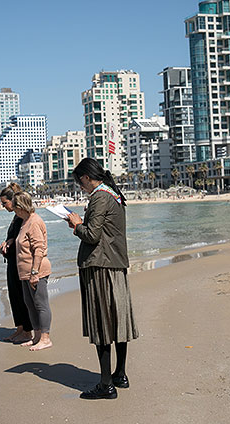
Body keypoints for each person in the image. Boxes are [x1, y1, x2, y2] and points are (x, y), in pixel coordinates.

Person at [67, 158, 138, 400]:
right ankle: (120, 374)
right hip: (115, 264)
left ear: (86, 177)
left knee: (103, 325)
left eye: (80, 182)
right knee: (118, 322)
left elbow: (92, 235)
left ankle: (106, 384)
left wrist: (76, 225)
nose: (81, 187)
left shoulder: (99, 197)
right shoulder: (114, 195)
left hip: (100, 267)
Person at [12, 191, 53, 351]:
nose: (15, 212)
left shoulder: (34, 221)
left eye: (16, 208)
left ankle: (45, 337)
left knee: (40, 304)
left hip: (37, 270)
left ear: (22, 207)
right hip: (25, 273)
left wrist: (35, 272)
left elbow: (39, 248)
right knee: (30, 304)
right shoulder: (25, 221)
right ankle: (37, 336)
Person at [0, 183, 33, 343]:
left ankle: (27, 331)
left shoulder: (23, 217)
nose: (3, 206)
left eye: (5, 203)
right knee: (14, 296)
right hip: (12, 262)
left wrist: (11, 242)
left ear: (13, 200)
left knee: (21, 297)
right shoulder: (16, 218)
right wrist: (6, 244)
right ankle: (20, 328)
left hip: (20, 262)